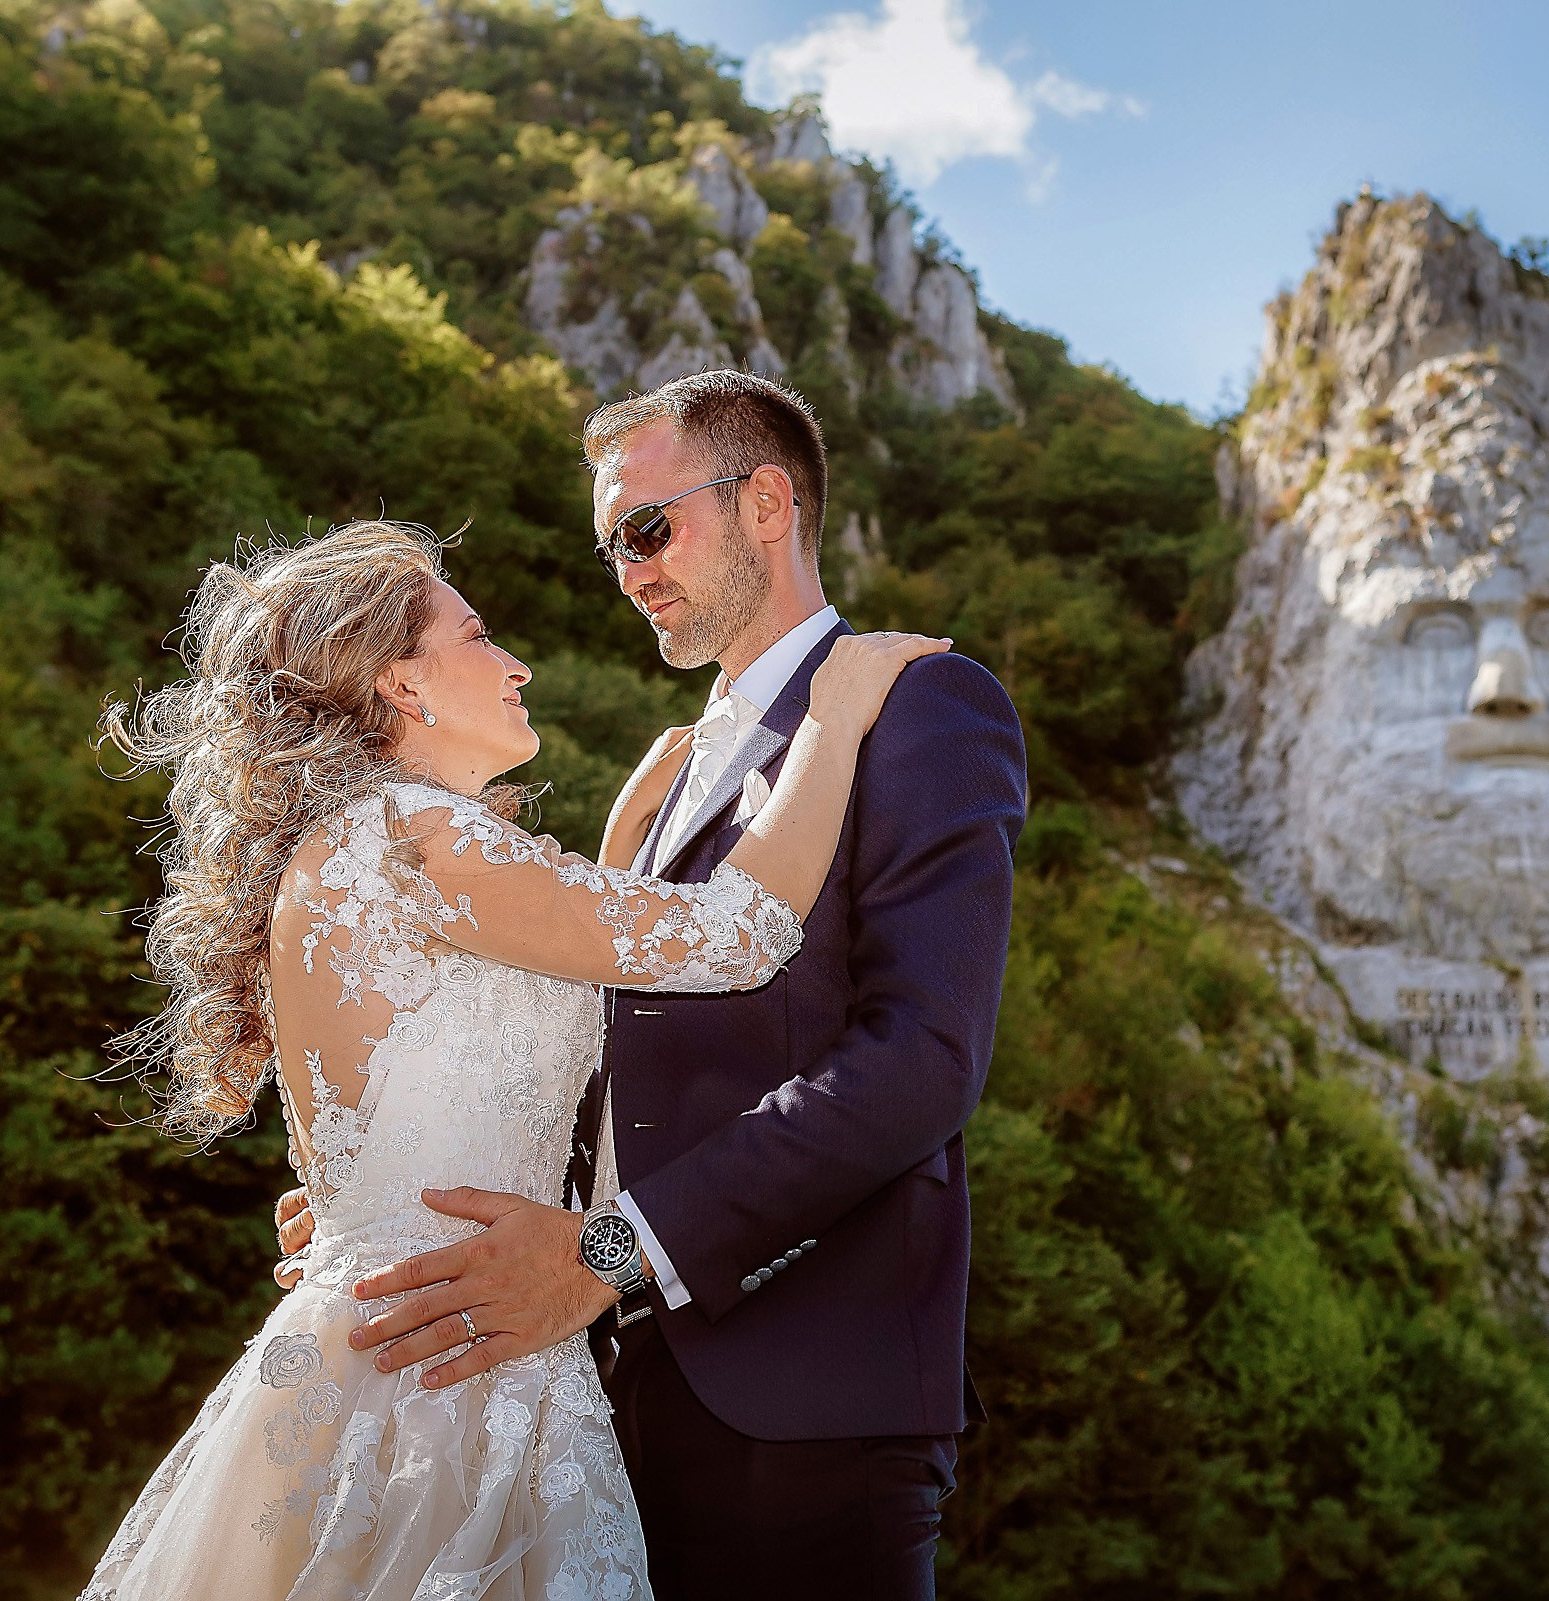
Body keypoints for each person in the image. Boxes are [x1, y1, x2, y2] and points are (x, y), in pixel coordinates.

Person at [78, 515, 949, 1600]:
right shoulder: (417, 837)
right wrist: (834, 716)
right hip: (455, 1375)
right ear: (402, 683)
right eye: (478, 634)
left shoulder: (357, 844)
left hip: (399, 1337)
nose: (516, 662)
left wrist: (621, 852)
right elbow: (740, 934)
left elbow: (489, 1064)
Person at [275, 370, 1030, 1598]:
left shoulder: (916, 706)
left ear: (766, 503)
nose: (626, 572)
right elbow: (608, 1066)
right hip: (580, 1387)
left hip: (801, 1393)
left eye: (645, 527)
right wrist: (392, 1192)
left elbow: (918, 1063)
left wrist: (613, 1251)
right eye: (610, 547)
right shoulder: (666, 776)